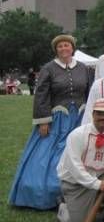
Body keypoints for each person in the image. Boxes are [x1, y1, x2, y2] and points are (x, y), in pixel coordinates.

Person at [9, 34, 94, 210]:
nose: (64, 49)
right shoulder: (49, 69)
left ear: (72, 48)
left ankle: (84, 188)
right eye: (60, 46)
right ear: (56, 50)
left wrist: (91, 116)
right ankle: (49, 193)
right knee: (50, 155)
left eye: (67, 45)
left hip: (80, 118)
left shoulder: (84, 68)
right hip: (58, 120)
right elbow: (41, 96)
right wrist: (43, 121)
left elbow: (90, 93)